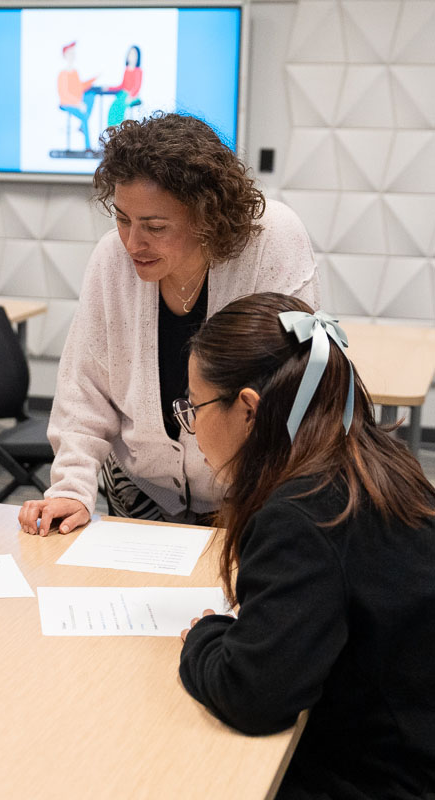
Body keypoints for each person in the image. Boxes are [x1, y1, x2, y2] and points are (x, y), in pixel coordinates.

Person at [178, 292, 435, 799]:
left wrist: (203, 636)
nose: (189, 426)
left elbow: (253, 694)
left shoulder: (299, 516)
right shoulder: (376, 460)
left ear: (248, 409)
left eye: (194, 405)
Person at [19, 113, 320, 537]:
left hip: (250, 494)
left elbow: (296, 393)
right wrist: (71, 488)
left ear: (207, 217)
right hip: (142, 488)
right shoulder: (112, 260)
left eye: (155, 227)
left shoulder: (271, 242)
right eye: (122, 219)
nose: (132, 243)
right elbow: (83, 390)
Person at [57, 41, 98, 151]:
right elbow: (64, 94)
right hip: (67, 103)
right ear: (65, 55)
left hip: (77, 102)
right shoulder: (63, 74)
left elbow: (80, 87)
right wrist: (78, 104)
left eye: (73, 53)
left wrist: (94, 79)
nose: (73, 55)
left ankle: (81, 126)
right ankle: (88, 147)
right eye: (70, 53)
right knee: (84, 117)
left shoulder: (75, 72)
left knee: (91, 94)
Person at [105, 45, 143, 127]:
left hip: (131, 96)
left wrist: (131, 96)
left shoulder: (138, 71)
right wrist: (109, 88)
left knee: (121, 107)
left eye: (134, 55)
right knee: (113, 107)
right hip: (122, 94)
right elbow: (122, 85)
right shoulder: (126, 70)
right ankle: (112, 127)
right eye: (130, 54)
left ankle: (120, 126)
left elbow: (137, 86)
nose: (132, 56)